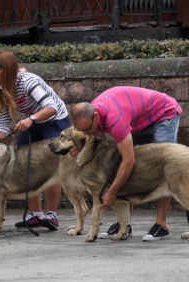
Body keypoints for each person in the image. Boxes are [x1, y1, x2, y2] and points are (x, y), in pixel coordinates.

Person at [70, 86, 182, 242]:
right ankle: (125, 224)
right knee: (127, 166)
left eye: (87, 129)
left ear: (95, 116)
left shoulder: (115, 118)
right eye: (80, 130)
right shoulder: (90, 113)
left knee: (160, 165)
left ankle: (161, 225)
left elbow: (129, 161)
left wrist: (111, 192)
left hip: (163, 113)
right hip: (138, 120)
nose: (85, 134)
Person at [0, 51, 71, 231]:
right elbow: (5, 122)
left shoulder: (28, 81)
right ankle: (36, 215)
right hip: (32, 121)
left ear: (8, 69)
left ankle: (52, 216)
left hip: (53, 120)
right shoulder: (1, 88)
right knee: (23, 166)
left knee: (49, 167)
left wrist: (31, 119)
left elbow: (51, 107)